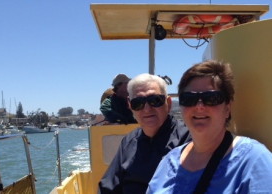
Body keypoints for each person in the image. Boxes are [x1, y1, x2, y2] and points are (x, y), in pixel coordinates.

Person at [147, 60, 272, 193]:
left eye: (211, 98)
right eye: (189, 99)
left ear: (228, 107)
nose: (199, 106)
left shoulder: (253, 160)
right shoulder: (168, 162)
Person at [98, 73, 191, 194]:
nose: (147, 109)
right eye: (138, 103)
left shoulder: (189, 140)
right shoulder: (128, 142)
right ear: (130, 105)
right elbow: (107, 187)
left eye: (155, 100)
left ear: (168, 103)